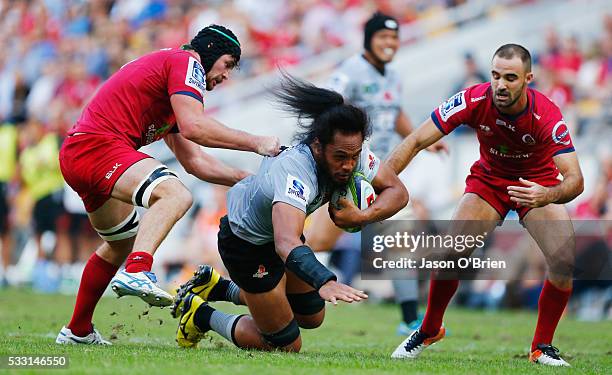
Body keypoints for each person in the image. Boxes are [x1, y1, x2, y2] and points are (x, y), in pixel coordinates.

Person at [55, 24, 280, 345]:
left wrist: (246, 179)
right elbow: (196, 127)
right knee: (174, 194)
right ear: (210, 52)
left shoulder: (172, 88)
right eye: (228, 64)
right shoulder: (187, 62)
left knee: (120, 243)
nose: (227, 75)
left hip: (82, 153)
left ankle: (77, 331)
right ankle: (137, 270)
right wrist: (257, 143)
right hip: (97, 147)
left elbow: (196, 162)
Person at [170, 74, 409, 352]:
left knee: (312, 316)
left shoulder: (353, 152)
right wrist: (325, 280)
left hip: (280, 237)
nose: (348, 165)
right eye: (340, 157)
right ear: (318, 146)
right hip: (247, 244)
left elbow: (398, 192)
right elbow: (286, 243)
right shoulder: (295, 170)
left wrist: (362, 217)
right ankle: (200, 315)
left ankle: (220, 288)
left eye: (353, 157)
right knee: (286, 344)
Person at [387, 44, 584, 367]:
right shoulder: (473, 98)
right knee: (452, 251)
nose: (500, 84)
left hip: (535, 185)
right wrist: (385, 179)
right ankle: (429, 329)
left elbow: (575, 180)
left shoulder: (546, 114)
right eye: (495, 75)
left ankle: (541, 347)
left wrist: (545, 195)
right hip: (489, 182)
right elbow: (416, 140)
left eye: (510, 77)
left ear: (528, 79)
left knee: (563, 261)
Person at [306, 12, 447, 335]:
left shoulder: (394, 76)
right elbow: (328, 105)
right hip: (348, 171)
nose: (390, 44)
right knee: (319, 240)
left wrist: (425, 142)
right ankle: (289, 290)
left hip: (380, 171)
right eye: (383, 37)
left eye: (394, 38)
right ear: (369, 39)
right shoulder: (350, 70)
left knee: (400, 238)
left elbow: (394, 112)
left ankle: (411, 319)